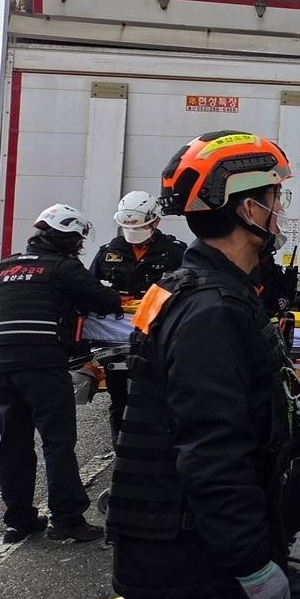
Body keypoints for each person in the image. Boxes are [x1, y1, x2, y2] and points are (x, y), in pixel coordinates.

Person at [107, 131, 298, 599]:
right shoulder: (212, 310)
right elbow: (212, 451)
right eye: (274, 197)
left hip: (177, 550)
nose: (280, 210)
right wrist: (250, 563)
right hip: (192, 563)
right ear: (246, 208)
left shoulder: (192, 287)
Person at [0, 204, 119, 544]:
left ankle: (18, 521)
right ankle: (66, 520)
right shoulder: (63, 268)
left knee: (12, 444)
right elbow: (106, 300)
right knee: (57, 442)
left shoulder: (4, 266)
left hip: (1, 367)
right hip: (42, 365)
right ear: (67, 240)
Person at [88, 191, 187, 447]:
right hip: (116, 342)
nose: (135, 232)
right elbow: (89, 293)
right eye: (129, 226)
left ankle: (162, 452)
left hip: (159, 337)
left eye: (142, 226)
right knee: (119, 399)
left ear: (155, 222)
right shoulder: (107, 253)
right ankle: (121, 451)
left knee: (162, 396)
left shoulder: (175, 253)